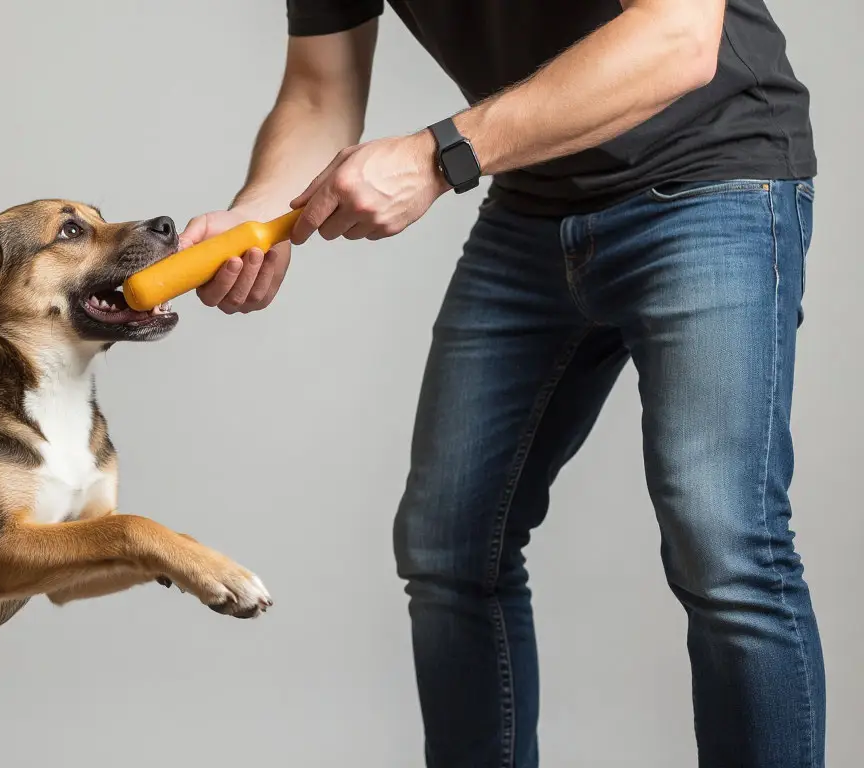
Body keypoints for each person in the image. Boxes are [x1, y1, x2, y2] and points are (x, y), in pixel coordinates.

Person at [178, 1, 823, 766]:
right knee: (449, 546)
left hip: (711, 178)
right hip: (535, 201)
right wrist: (257, 215)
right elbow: (322, 88)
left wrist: (437, 153)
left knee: (725, 549)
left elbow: (678, 38)